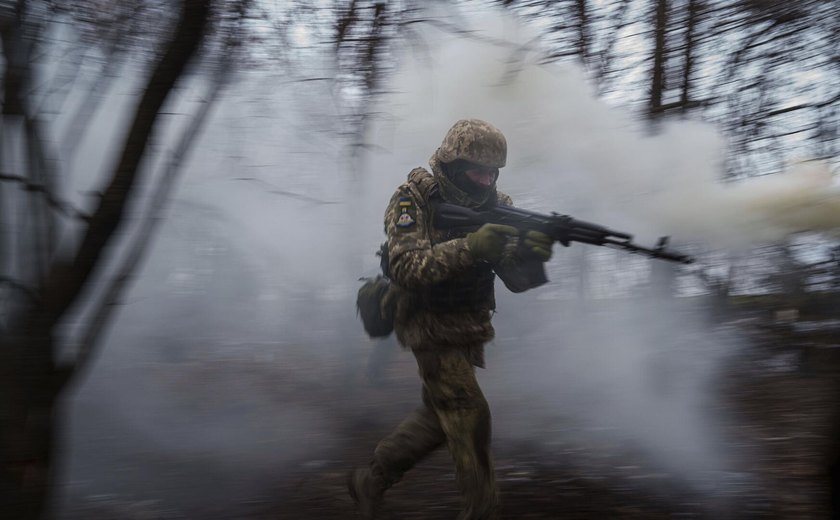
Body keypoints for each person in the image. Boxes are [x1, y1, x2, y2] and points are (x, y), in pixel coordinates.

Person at [348, 119, 554, 519]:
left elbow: (516, 280)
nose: (487, 179)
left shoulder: (500, 206)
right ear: (455, 166)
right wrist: (472, 247)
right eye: (479, 170)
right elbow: (406, 267)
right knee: (467, 411)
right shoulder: (413, 200)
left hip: (467, 325)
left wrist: (532, 254)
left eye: (494, 171)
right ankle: (482, 509)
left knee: (439, 417)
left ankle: (371, 480)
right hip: (424, 320)